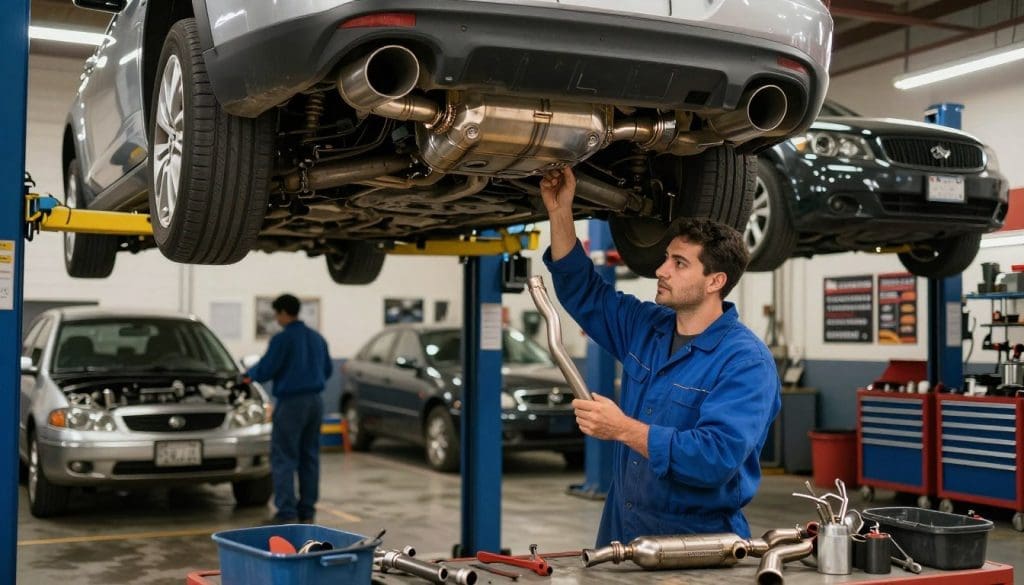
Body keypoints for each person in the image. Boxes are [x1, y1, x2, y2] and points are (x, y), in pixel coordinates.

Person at [539, 167, 781, 546]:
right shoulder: (647, 327)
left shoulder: (745, 362)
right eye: (667, 257)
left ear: (715, 281)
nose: (660, 270)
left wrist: (622, 428)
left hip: (696, 544)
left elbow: (715, 457)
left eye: (679, 264)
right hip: (621, 530)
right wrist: (559, 211)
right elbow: (583, 291)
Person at [246, 294, 333, 523]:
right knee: (309, 456)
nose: (276, 318)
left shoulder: (282, 340)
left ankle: (287, 511)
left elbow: (266, 369)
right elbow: (327, 370)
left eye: (277, 313)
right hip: (315, 402)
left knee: (284, 457)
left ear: (284, 312)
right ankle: (307, 510)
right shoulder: (317, 339)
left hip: (291, 403)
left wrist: (247, 376)